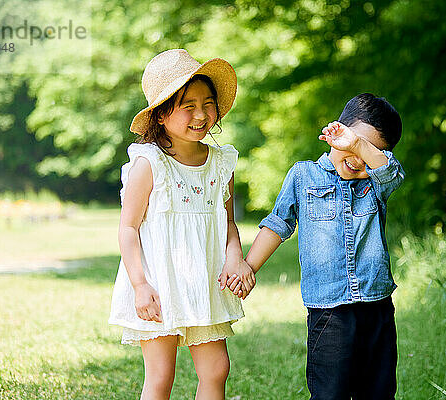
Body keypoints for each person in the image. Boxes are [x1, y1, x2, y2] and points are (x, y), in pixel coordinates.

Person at [232, 93, 404, 399]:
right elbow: (278, 224)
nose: (357, 159)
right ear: (336, 133)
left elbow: (391, 172)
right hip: (328, 309)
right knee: (329, 392)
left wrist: (358, 145)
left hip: (375, 305)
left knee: (378, 392)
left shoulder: (375, 182)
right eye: (352, 145)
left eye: (368, 151)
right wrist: (248, 265)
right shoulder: (303, 176)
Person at [109, 49, 255, 400]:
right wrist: (140, 284)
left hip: (205, 282)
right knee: (161, 375)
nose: (201, 114)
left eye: (208, 103)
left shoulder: (221, 163)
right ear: (161, 114)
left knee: (217, 369)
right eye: (188, 105)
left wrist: (235, 258)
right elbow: (128, 228)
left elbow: (229, 222)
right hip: (158, 283)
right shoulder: (150, 163)